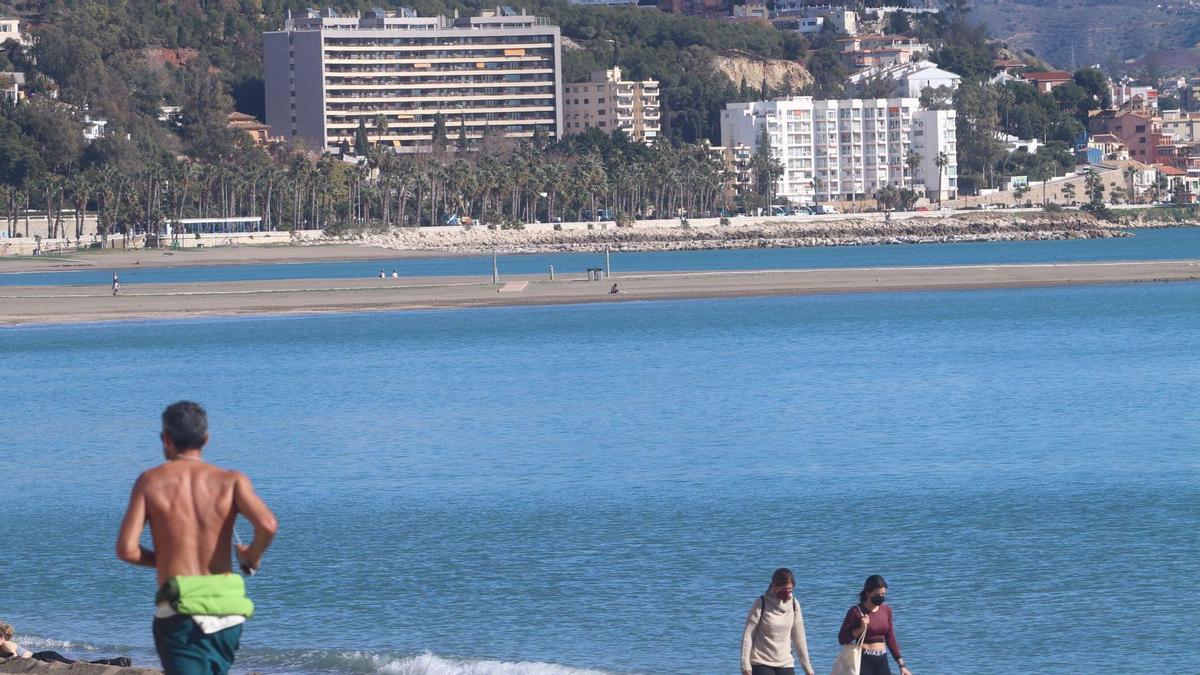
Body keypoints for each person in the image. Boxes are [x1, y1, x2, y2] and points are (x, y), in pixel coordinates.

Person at [117, 401, 278, 675]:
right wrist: (252, 555)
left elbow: (126, 550)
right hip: (227, 611)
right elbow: (268, 524)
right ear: (206, 439)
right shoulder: (232, 480)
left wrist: (166, 559)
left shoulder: (151, 481)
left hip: (181, 611)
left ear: (166, 439)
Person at [741, 568, 815, 675]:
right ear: (775, 586)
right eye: (784, 589)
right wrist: (745, 664)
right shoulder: (761, 603)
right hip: (761, 662)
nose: (787, 593)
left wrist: (808, 668)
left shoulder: (794, 605)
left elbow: (799, 639)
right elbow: (748, 635)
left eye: (790, 589)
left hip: (786, 663)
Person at [837, 575, 912, 675]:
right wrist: (861, 628)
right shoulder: (855, 612)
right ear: (868, 593)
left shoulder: (886, 610)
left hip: (882, 660)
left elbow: (891, 639)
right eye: (877, 595)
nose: (881, 597)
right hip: (863, 660)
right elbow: (842, 639)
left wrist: (902, 666)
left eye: (883, 594)